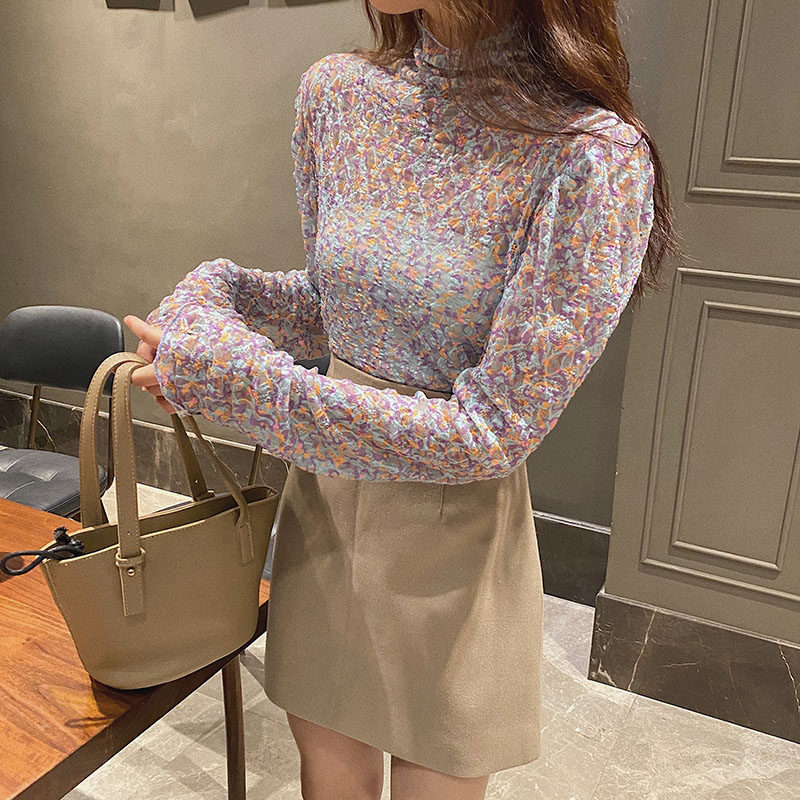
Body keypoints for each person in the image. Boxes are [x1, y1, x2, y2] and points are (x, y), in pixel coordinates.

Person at [124, 1, 681, 797]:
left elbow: (492, 430)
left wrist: (250, 391)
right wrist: (223, 299)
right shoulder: (337, 95)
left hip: (450, 540)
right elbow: (342, 307)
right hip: (325, 511)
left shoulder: (591, 157)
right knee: (329, 774)